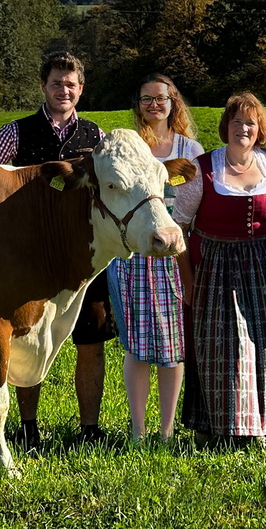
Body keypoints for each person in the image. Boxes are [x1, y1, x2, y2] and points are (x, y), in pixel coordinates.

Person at [0, 51, 113, 449]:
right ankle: (28, 427)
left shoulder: (97, 137)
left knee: (91, 341)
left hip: (86, 259)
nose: (63, 90)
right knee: (24, 343)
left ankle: (89, 429)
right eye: (55, 83)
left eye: (70, 84)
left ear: (80, 89)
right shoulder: (18, 132)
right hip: (30, 259)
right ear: (43, 86)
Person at [174, 93, 266, 446]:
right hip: (216, 267)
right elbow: (179, 225)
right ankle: (218, 427)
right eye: (236, 122)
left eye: (250, 122)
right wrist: (189, 280)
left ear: (260, 130)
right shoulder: (203, 168)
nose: (243, 128)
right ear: (225, 127)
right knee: (225, 350)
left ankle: (264, 423)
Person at [107, 74, 203, 441]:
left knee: (173, 344)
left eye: (160, 98)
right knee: (136, 342)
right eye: (146, 99)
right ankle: (137, 429)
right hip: (133, 255)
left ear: (173, 102)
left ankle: (165, 430)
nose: (154, 105)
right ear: (138, 104)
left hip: (175, 253)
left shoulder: (190, 149)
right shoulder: (130, 148)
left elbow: (196, 202)